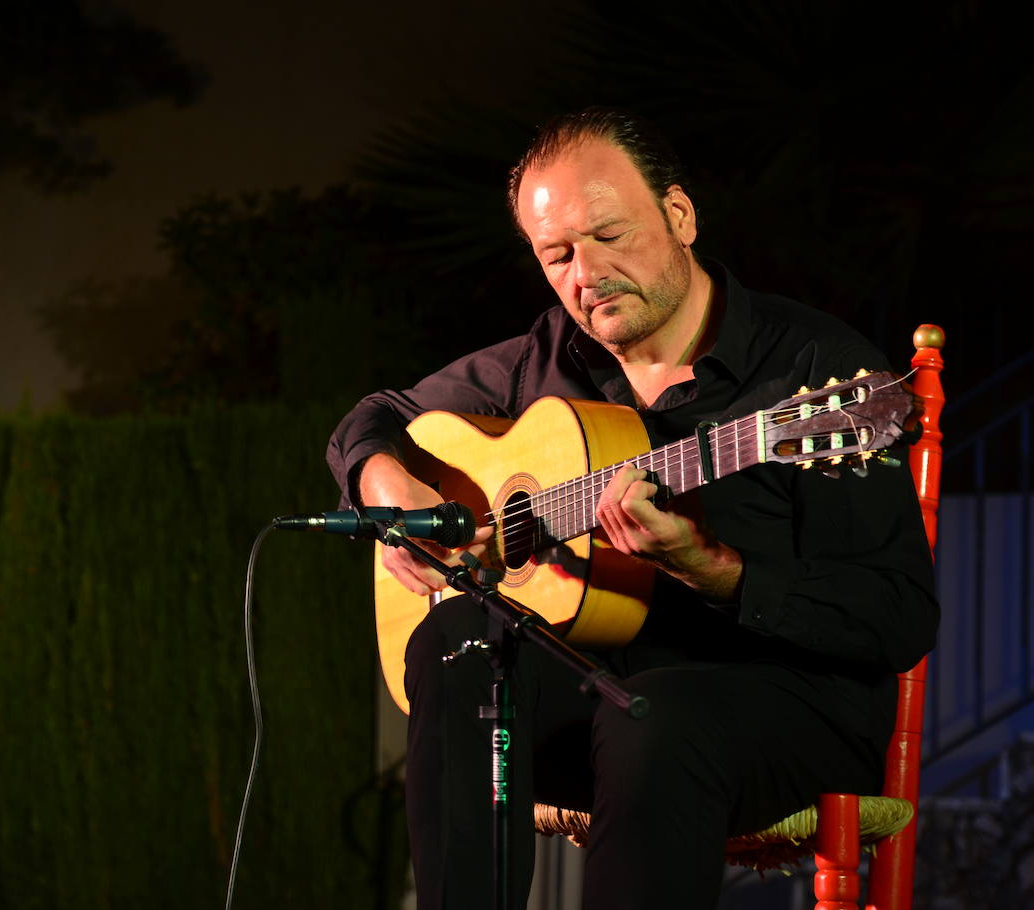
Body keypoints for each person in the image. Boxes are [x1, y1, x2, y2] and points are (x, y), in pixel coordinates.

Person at [326, 107, 938, 909]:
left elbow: (897, 618)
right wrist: (383, 486)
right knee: (457, 640)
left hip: (781, 709)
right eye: (557, 255)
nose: (585, 274)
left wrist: (713, 569)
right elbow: (374, 417)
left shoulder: (817, 374)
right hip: (600, 702)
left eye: (608, 236)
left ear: (679, 216)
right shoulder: (545, 359)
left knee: (656, 718)